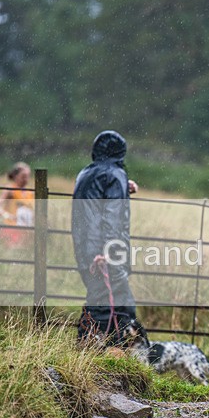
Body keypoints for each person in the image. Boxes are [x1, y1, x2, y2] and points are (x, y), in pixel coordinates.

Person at [72, 130, 143, 347]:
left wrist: (123, 188)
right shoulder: (115, 175)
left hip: (84, 247)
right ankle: (113, 353)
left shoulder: (85, 173)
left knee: (99, 297)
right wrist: (109, 250)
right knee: (119, 305)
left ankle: (92, 350)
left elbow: (94, 203)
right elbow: (112, 216)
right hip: (105, 251)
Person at [0, 162, 34, 248]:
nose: (26, 179)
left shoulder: (31, 192)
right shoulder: (10, 189)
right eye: (23, 176)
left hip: (27, 230)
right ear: (15, 176)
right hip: (11, 228)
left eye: (28, 176)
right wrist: (7, 215)